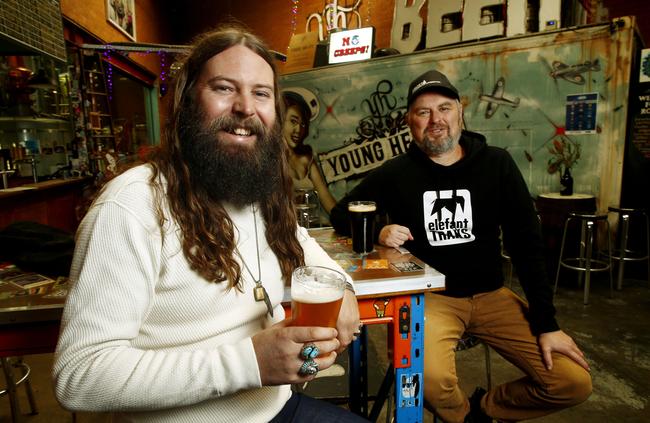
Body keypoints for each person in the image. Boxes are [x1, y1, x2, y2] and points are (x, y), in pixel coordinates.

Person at [52, 25, 366, 423]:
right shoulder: (131, 206)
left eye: (261, 93)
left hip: (276, 409)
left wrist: (345, 288)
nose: (245, 107)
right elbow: (79, 376)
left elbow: (301, 243)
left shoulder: (253, 188)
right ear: (186, 102)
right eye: (223, 88)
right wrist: (249, 362)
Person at [330, 70, 592, 423]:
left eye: (444, 108)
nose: (435, 120)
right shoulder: (396, 172)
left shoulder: (496, 163)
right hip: (433, 297)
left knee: (572, 381)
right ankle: (465, 418)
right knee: (430, 380)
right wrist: (378, 230)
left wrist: (547, 323)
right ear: (409, 121)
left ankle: (485, 410)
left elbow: (527, 245)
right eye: (423, 112)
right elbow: (339, 213)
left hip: (492, 295)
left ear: (460, 112)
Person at [282, 90, 337, 214]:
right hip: (284, 230)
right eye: (293, 121)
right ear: (279, 121)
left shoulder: (306, 159)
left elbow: (328, 201)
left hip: (309, 229)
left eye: (302, 124)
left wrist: (348, 223)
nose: (298, 130)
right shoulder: (269, 159)